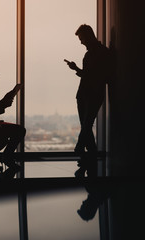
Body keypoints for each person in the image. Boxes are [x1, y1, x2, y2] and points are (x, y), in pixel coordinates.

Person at [65, 24, 110, 178]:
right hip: (89, 93)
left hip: (88, 93)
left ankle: (82, 148)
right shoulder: (101, 53)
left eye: (82, 38)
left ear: (88, 36)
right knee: (87, 124)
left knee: (86, 123)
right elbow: (92, 75)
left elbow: (94, 76)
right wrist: (76, 68)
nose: (81, 42)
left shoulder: (97, 54)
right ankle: (91, 156)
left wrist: (77, 70)